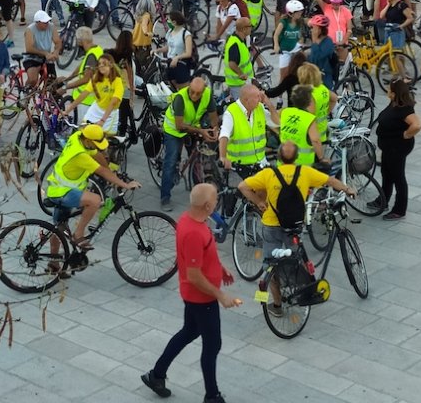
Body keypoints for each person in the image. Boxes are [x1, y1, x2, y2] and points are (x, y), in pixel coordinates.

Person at [142, 183, 239, 403]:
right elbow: (194, 275)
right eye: (215, 199)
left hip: (195, 295)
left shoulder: (192, 219)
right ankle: (212, 395)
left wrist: (219, 267)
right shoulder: (193, 232)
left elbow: (200, 256)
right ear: (207, 205)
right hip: (201, 298)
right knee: (213, 344)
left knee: (189, 332)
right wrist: (221, 295)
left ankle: (156, 374)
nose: (217, 201)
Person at [237, 141, 355, 305]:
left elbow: (242, 186)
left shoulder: (269, 173)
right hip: (293, 225)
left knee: (270, 264)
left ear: (278, 157)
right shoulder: (305, 172)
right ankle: (305, 293)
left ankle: (277, 304)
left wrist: (258, 202)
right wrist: (347, 189)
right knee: (299, 259)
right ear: (297, 157)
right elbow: (330, 181)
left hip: (271, 224)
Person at [44, 123, 140, 250]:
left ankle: (54, 263)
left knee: (58, 229)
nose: (99, 148)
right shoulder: (79, 155)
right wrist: (125, 185)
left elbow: (96, 154)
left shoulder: (80, 136)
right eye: (97, 144)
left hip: (65, 188)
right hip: (61, 192)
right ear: (88, 140)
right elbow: (102, 171)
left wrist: (111, 171)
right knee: (95, 200)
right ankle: (78, 234)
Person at [159, 76, 219, 210]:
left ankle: (198, 190)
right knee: (171, 160)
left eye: (198, 93)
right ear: (189, 88)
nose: (194, 95)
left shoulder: (207, 95)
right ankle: (165, 197)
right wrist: (201, 131)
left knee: (196, 156)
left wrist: (215, 130)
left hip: (191, 126)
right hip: (173, 130)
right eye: (192, 92)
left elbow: (213, 117)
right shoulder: (180, 98)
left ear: (204, 91)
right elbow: (179, 125)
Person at [373, 78, 421, 220]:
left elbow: (416, 125)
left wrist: (405, 134)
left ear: (394, 93)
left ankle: (399, 210)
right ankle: (383, 200)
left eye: (389, 89)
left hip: (397, 148)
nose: (388, 91)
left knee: (398, 176)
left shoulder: (404, 108)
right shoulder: (394, 103)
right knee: (386, 173)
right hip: (389, 147)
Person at [63, 52, 125, 135]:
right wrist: (67, 110)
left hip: (110, 113)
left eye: (104, 63)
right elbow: (84, 94)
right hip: (97, 109)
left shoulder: (117, 81)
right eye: (99, 63)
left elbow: (113, 102)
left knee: (104, 138)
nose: (101, 66)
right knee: (83, 132)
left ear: (111, 64)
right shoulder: (96, 78)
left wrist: (103, 120)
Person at [278, 84, 325, 166]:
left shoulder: (285, 112)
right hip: (302, 166)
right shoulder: (309, 118)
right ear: (309, 101)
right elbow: (315, 140)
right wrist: (321, 158)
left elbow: (274, 122)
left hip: (283, 163)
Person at [22, 10, 61, 86]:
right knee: (33, 80)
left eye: (47, 22)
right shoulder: (30, 30)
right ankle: (26, 91)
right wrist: (45, 53)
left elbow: (58, 42)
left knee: (52, 81)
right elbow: (29, 48)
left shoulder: (51, 27)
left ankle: (47, 95)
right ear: (37, 22)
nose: (47, 24)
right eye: (44, 22)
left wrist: (56, 51)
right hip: (32, 56)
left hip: (46, 57)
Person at [221, 17, 254, 102]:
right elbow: (232, 64)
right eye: (250, 26)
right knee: (242, 107)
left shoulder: (240, 40)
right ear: (244, 29)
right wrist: (241, 74)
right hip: (237, 84)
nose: (251, 28)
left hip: (241, 83)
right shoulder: (235, 43)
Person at [273, 0, 305, 78]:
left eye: (300, 12)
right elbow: (276, 35)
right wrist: (276, 46)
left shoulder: (299, 22)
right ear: (291, 13)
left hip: (295, 49)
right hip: (285, 51)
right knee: (283, 76)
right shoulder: (283, 22)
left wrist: (300, 42)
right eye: (298, 12)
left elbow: (300, 36)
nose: (300, 14)